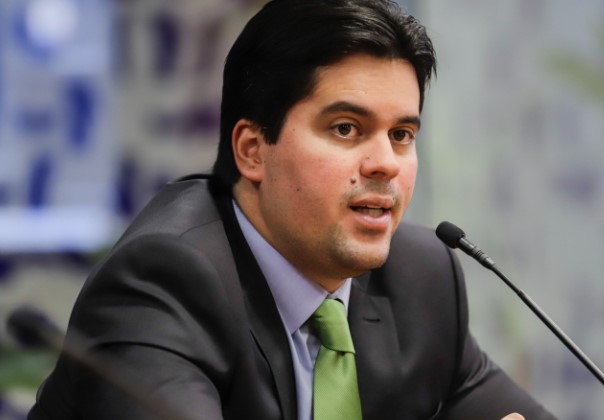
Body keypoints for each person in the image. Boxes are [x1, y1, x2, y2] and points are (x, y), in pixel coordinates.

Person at [28, 0, 555, 419]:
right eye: (346, 128)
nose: (385, 163)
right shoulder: (163, 282)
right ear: (252, 150)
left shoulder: (422, 276)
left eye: (401, 134)